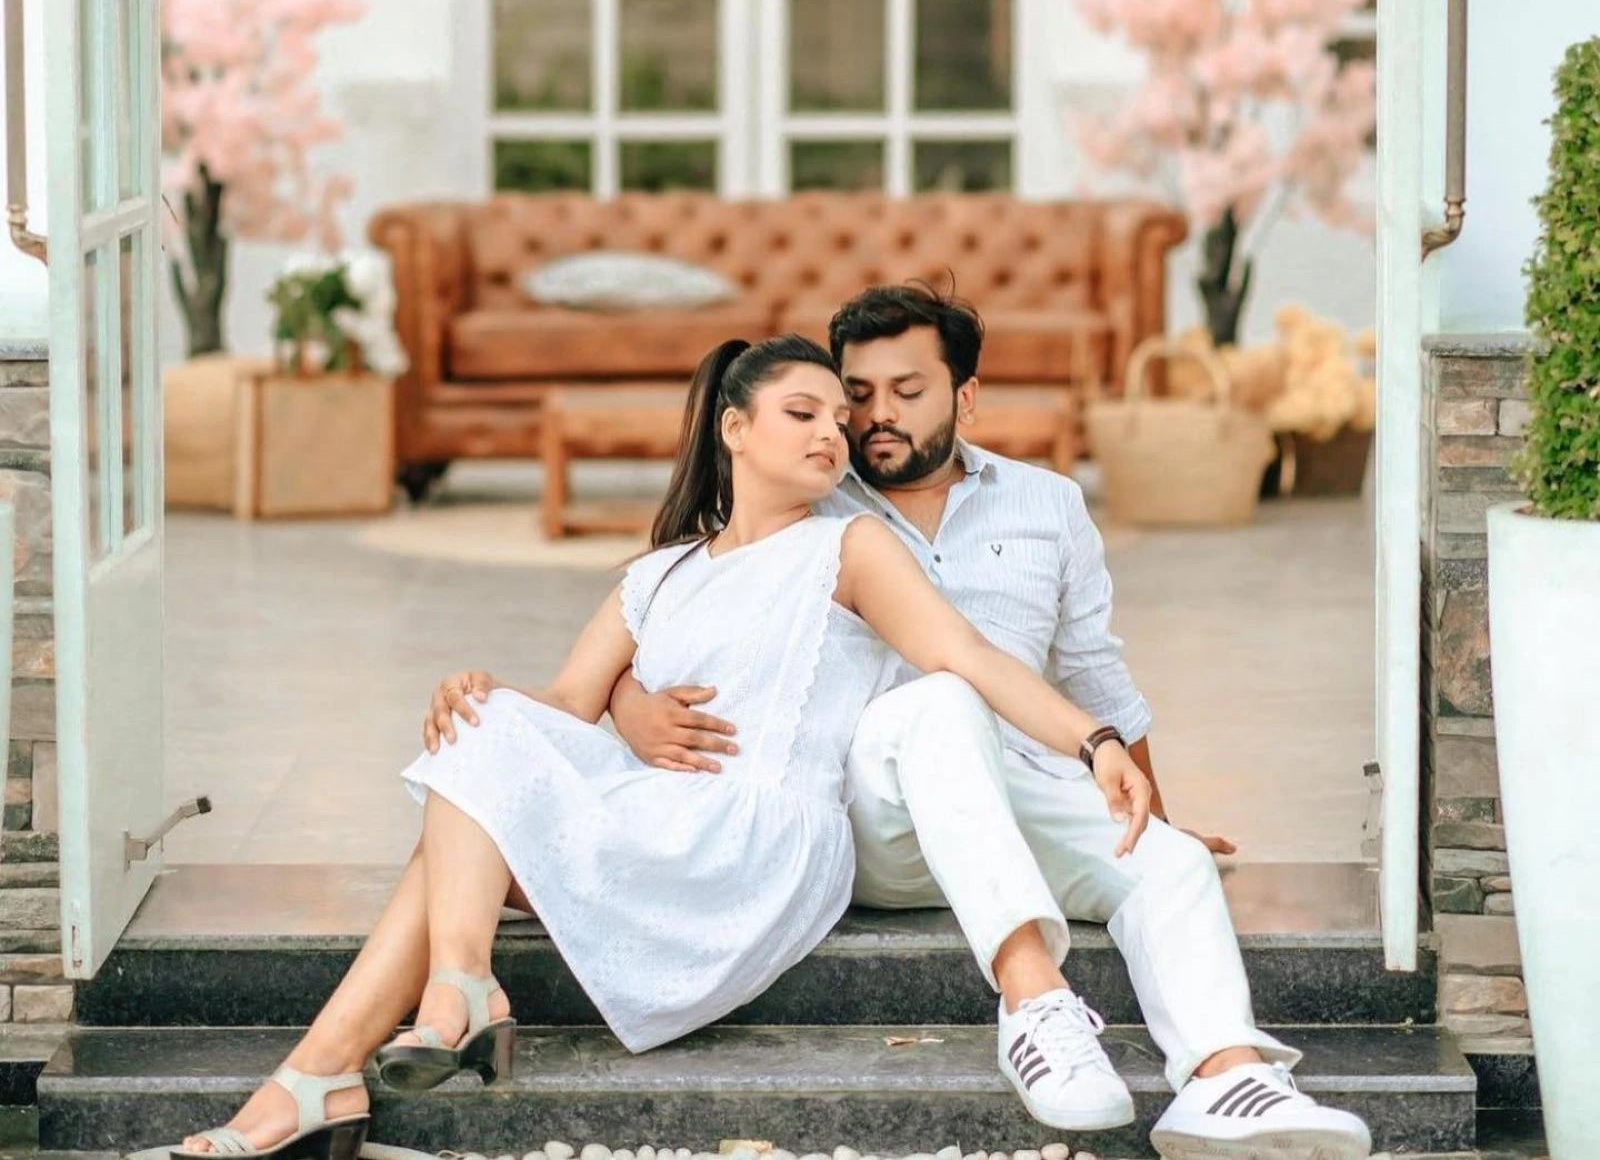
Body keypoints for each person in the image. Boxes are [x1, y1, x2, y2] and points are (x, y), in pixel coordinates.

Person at [172, 333, 1155, 1160]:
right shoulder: (655, 574)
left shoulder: (848, 547)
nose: (833, 433)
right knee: (482, 729)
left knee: (460, 821)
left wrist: (1095, 737)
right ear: (733, 428)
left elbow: (966, 654)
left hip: (754, 844)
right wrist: (480, 691)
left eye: (837, 421)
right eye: (802, 412)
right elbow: (561, 703)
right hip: (657, 822)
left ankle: (366, 1043)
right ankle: (383, 1034)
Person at [611, 286, 1372, 1160]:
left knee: (1172, 861)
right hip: (873, 811)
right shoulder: (810, 496)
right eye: (858, 394)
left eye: (908, 391)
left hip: (1020, 791)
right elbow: (684, 601)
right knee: (941, 698)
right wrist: (630, 704)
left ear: (965, 397)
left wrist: (1144, 810)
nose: (872, 417)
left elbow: (1099, 681)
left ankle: (1225, 1081)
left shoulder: (1047, 505)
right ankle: (1032, 1005)